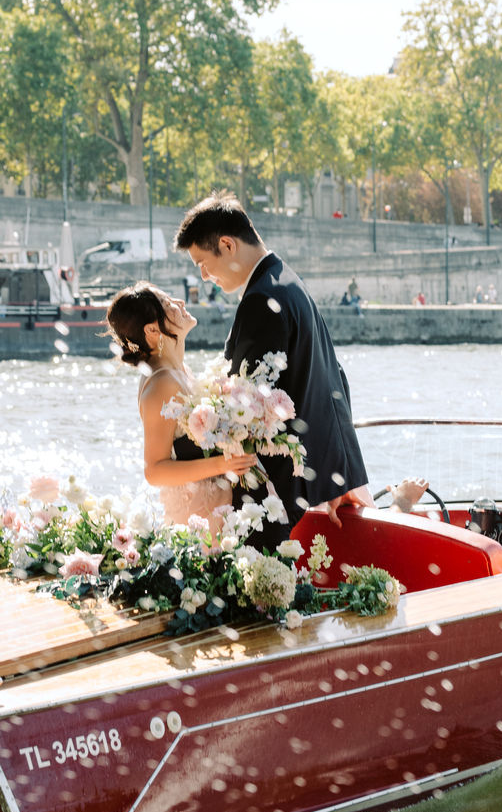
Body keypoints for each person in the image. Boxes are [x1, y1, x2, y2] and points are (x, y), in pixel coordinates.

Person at [175, 192, 373, 548]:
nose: (204, 276)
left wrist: (179, 450)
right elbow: (333, 377)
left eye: (202, 262)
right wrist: (341, 475)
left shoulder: (259, 301)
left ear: (226, 244)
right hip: (301, 484)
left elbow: (246, 407)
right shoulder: (287, 280)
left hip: (271, 494)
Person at [106, 283, 256, 532]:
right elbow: (154, 471)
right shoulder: (162, 384)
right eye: (168, 304)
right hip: (196, 518)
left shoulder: (179, 371)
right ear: (153, 330)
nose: (181, 303)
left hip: (216, 507)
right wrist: (224, 464)